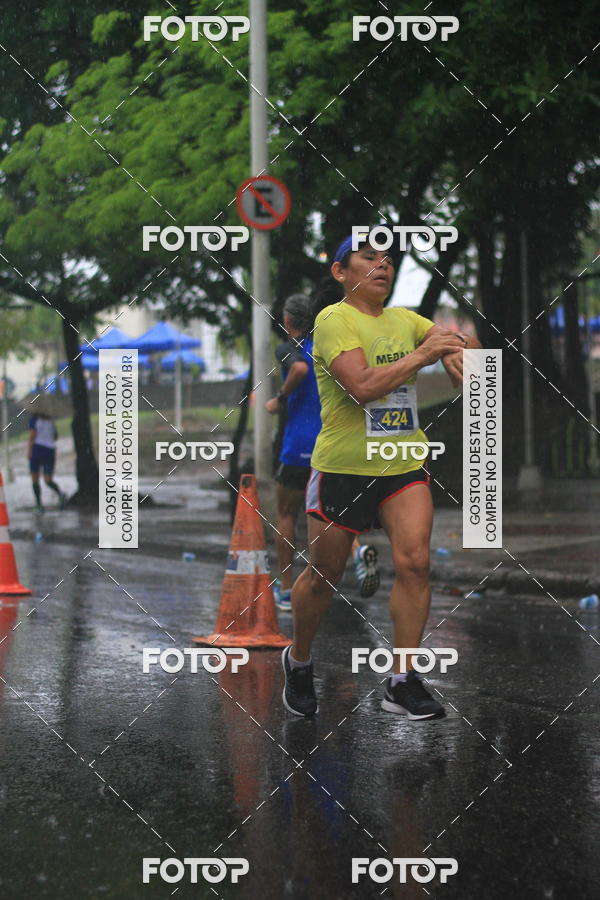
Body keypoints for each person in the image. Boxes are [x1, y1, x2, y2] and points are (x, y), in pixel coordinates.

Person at [282, 233, 481, 719]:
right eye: (368, 257)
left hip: (402, 464)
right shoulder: (333, 320)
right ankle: (299, 659)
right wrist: (423, 356)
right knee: (323, 576)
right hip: (343, 468)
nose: (382, 265)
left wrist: (457, 349)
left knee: (415, 563)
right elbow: (361, 386)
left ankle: (402, 680)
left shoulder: (405, 320)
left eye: (388, 259)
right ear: (340, 271)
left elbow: (468, 344)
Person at [266, 294, 380, 612]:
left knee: (286, 514)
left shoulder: (288, 349)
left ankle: (286, 589)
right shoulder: (328, 347)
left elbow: (299, 369)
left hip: (299, 446)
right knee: (336, 513)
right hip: (333, 443)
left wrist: (280, 399)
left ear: (287, 321)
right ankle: (358, 552)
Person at [28, 411, 66, 510]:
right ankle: (60, 494)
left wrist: (29, 450)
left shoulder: (34, 419)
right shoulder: (51, 421)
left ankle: (39, 504)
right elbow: (55, 437)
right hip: (50, 451)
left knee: (35, 478)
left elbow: (32, 434)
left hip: (37, 449)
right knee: (48, 479)